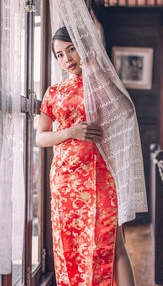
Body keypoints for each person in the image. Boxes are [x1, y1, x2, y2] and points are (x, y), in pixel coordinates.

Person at [36, 27, 136, 286]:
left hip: (100, 175)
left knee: (111, 243)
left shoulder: (101, 83)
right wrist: (70, 132)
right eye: (59, 54)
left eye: (71, 49)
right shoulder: (54, 92)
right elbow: (41, 137)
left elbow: (126, 112)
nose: (67, 59)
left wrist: (95, 70)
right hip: (64, 180)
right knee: (68, 244)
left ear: (85, 48)